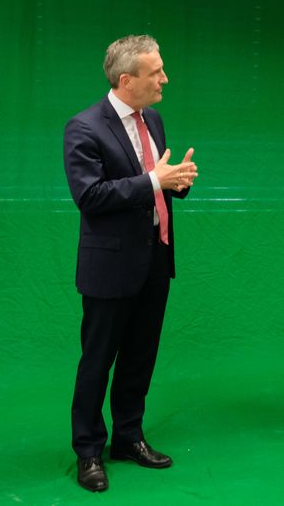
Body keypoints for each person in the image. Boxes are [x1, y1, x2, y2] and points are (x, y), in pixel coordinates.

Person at [63, 35, 197, 492]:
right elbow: (90, 196)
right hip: (109, 268)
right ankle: (87, 450)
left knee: (141, 355)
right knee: (98, 359)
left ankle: (128, 437)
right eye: (155, 72)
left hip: (155, 259)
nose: (165, 79)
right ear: (126, 80)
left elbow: (154, 183)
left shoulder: (153, 119)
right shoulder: (83, 128)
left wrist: (175, 181)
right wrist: (154, 181)